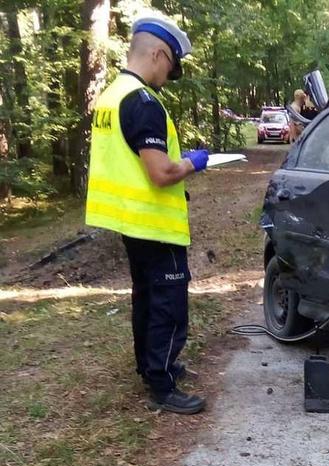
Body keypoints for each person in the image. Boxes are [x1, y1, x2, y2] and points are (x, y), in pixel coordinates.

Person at [85, 14, 208, 415]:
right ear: (157, 54)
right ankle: (162, 382)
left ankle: (150, 366)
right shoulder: (142, 103)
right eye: (170, 65)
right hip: (156, 224)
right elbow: (161, 173)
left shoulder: (110, 95)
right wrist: (193, 162)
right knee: (168, 303)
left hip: (129, 222)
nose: (168, 75)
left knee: (146, 297)